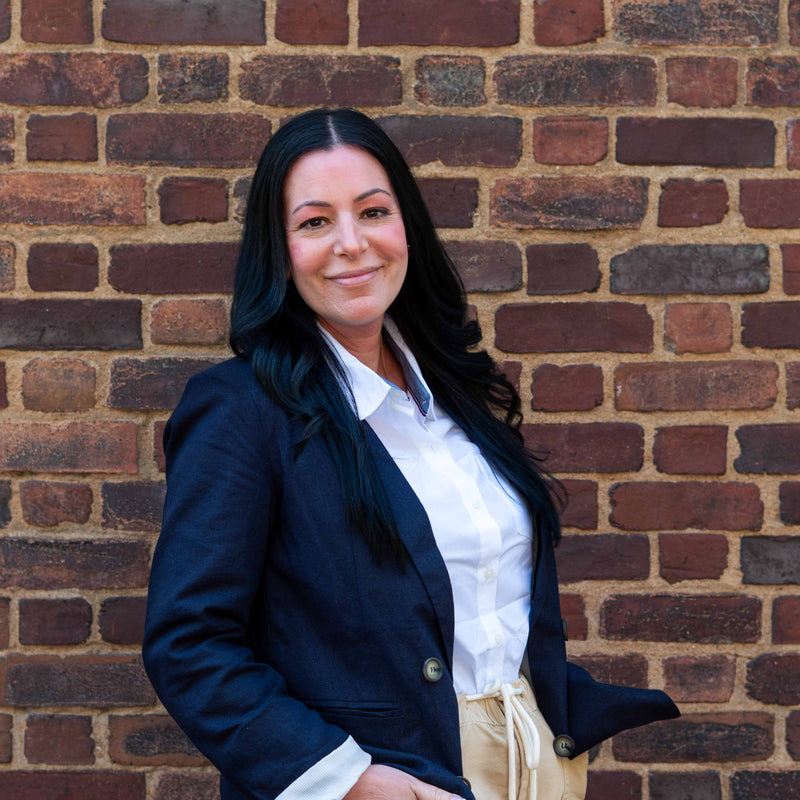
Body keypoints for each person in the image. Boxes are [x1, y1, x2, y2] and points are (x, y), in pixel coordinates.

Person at [142, 108, 679, 800]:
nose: (351, 244)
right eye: (314, 222)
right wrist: (352, 781)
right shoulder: (242, 411)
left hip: (537, 765)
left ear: (408, 227)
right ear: (278, 250)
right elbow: (189, 644)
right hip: (386, 783)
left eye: (372, 211)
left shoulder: (452, 390)